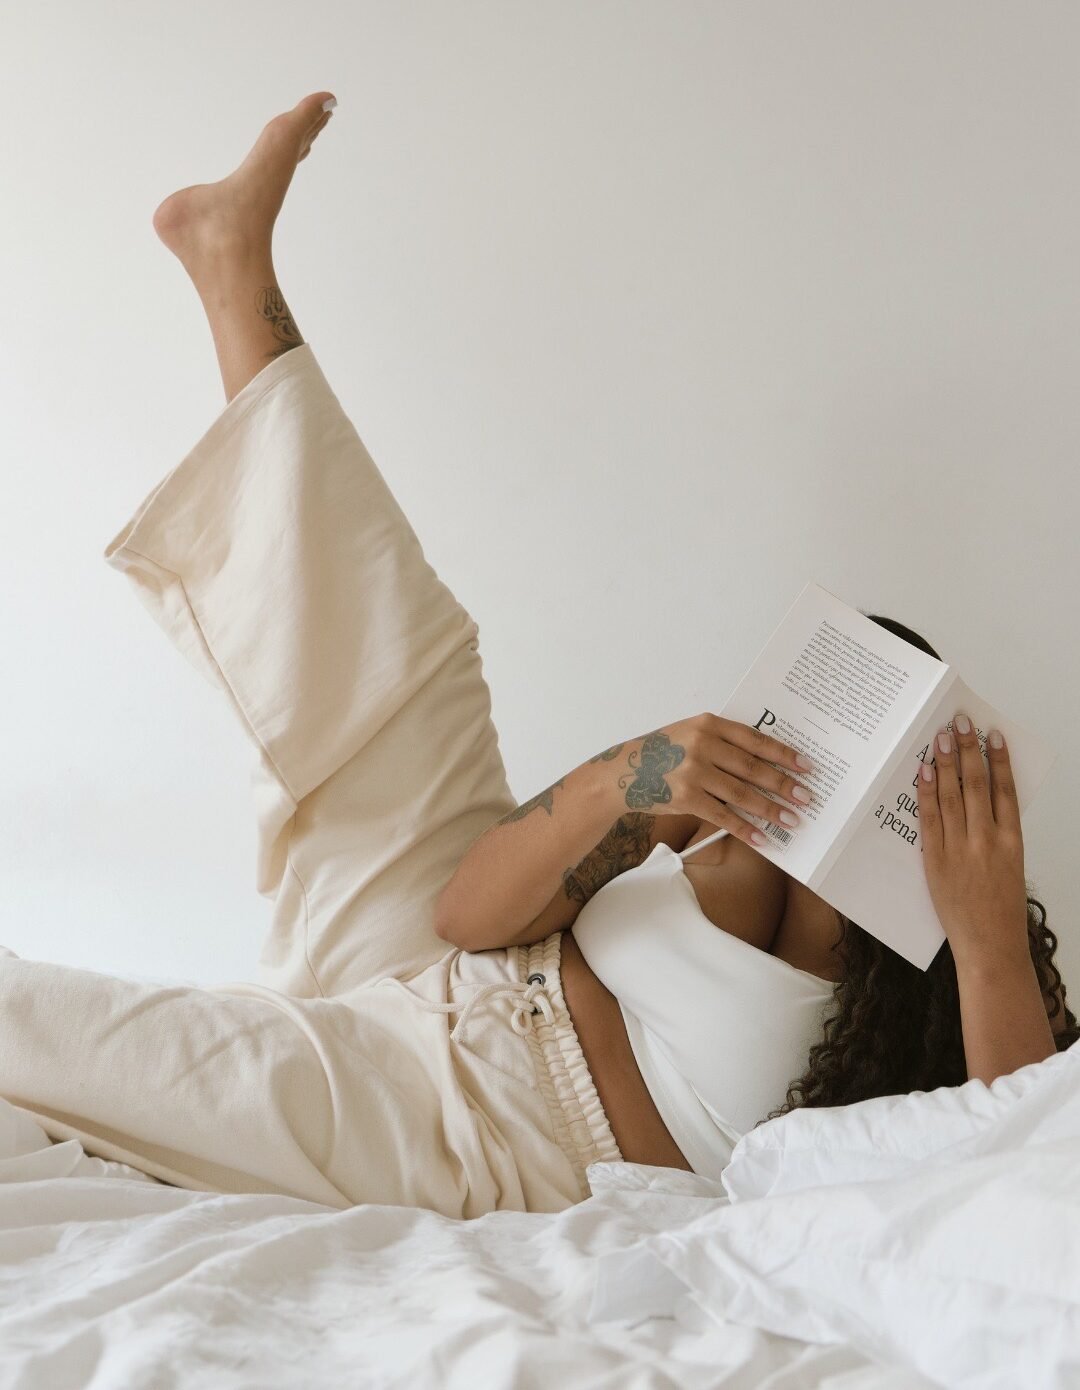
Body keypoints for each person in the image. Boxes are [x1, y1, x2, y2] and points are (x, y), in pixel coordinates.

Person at [1, 93, 1073, 1219]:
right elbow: (462, 916)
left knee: (83, 1038)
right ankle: (232, 267)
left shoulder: (955, 1001)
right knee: (408, 658)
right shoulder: (719, 840)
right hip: (455, 969)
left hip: (463, 1122)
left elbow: (1026, 1172)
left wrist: (987, 928)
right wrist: (637, 778)